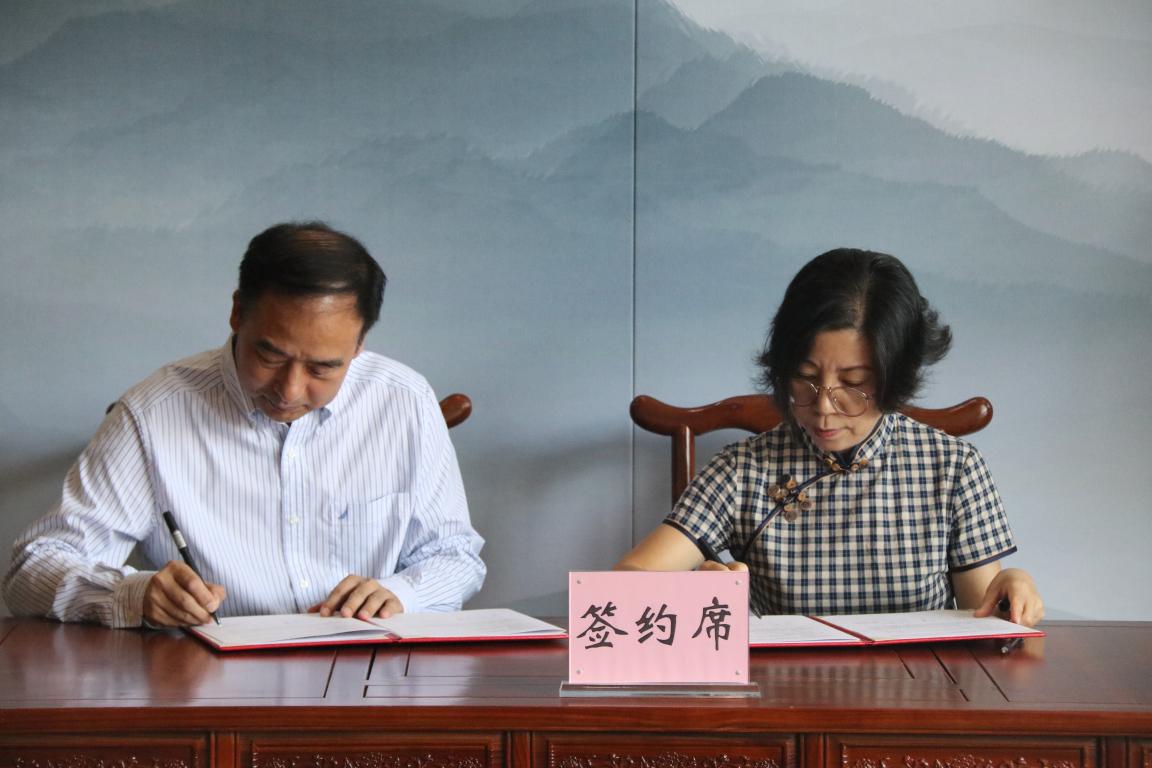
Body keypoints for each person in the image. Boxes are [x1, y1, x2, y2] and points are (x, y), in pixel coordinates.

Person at [3, 222, 485, 628]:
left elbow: (455, 555)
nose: (289, 391)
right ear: (237, 313)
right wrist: (135, 594)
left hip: (371, 677)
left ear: (359, 344)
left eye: (322, 368)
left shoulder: (404, 401)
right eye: (270, 356)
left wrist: (402, 593)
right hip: (210, 685)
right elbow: (30, 571)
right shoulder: (153, 413)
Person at [616, 248, 1043, 627]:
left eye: (853, 383)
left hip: (916, 687)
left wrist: (1011, 584)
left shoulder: (952, 468)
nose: (822, 407)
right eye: (804, 377)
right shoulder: (742, 470)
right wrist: (690, 594)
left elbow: (980, 620)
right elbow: (625, 582)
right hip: (784, 688)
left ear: (897, 378)